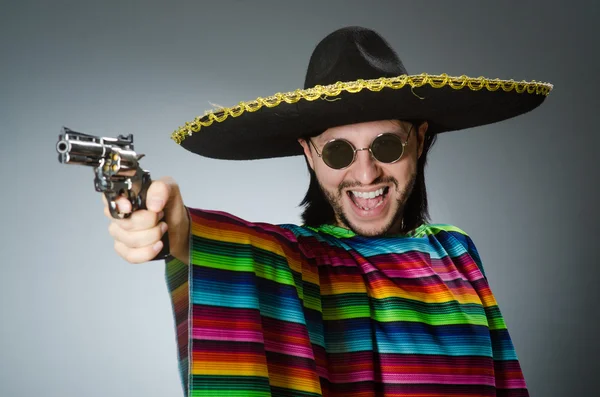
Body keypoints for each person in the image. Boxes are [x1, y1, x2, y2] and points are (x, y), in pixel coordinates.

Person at [104, 27, 552, 397]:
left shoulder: (458, 252)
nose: (366, 173)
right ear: (310, 155)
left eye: (387, 145)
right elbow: (243, 250)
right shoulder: (305, 262)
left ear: (418, 139)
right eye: (338, 152)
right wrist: (171, 228)